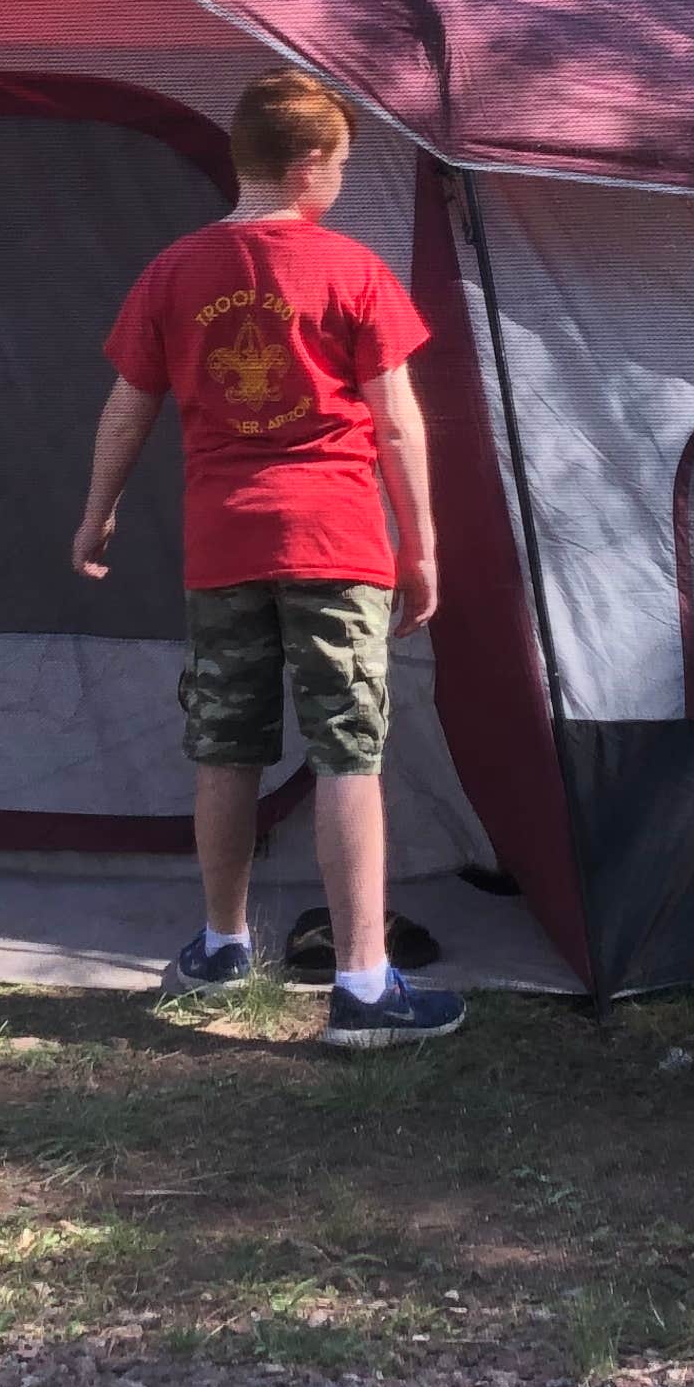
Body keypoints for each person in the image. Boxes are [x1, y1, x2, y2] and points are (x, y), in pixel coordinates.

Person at [74, 69, 460, 1045]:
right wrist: (422, 547)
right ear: (311, 164)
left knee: (224, 746)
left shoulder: (173, 271)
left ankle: (220, 947)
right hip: (337, 541)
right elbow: (400, 428)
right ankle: (365, 990)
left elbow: (129, 404)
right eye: (339, 163)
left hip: (223, 543)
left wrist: (97, 514)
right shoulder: (355, 271)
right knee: (348, 754)